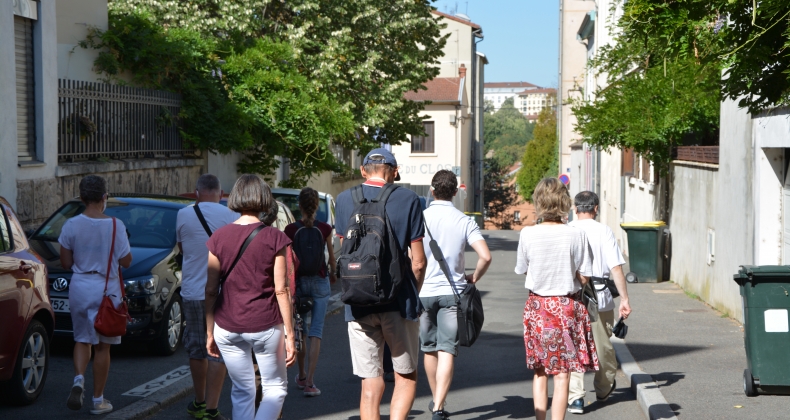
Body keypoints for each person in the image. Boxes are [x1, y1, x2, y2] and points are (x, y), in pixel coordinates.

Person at [334, 148, 427, 420]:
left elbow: (346, 251)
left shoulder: (343, 199)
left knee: (370, 382)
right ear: (395, 171)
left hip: (358, 303)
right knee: (405, 375)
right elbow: (418, 261)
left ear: (363, 170)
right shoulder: (409, 199)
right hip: (398, 302)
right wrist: (412, 294)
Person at [205, 174, 296, 420]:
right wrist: (290, 333)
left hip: (227, 323)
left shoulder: (218, 237)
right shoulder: (275, 237)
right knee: (275, 388)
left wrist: (210, 331)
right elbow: (281, 289)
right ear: (263, 199)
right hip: (265, 323)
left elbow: (211, 289)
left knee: (242, 390)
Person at [514, 177, 599, 420]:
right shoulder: (575, 235)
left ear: (539, 201)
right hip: (566, 307)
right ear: (563, 201)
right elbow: (584, 275)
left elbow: (522, 269)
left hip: (538, 307)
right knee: (563, 374)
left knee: (540, 371)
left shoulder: (528, 234)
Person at [420, 170, 492, 420]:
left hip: (423, 292)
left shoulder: (420, 219)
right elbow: (485, 256)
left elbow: (411, 256)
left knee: (428, 349)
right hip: (453, 293)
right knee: (447, 350)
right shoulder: (464, 221)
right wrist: (474, 276)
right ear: (455, 192)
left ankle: (435, 397)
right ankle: (439, 406)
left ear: (432, 191)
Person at [59, 175, 133, 415]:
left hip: (80, 286)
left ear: (81, 198)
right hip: (106, 289)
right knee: (103, 346)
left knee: (81, 339)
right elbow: (127, 261)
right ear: (104, 197)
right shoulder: (115, 225)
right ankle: (98, 400)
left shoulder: (70, 225)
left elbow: (65, 262)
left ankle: (78, 379)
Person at [177, 174, 238, 420]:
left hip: (192, 291)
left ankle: (200, 401)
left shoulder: (183, 214)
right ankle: (212, 407)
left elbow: (181, 248)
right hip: (223, 293)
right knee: (219, 349)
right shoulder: (232, 217)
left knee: (196, 347)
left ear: (196, 192)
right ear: (222, 194)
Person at [567, 191, 632, 414]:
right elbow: (615, 268)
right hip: (599, 296)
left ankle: (576, 397)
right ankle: (603, 387)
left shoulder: (568, 229)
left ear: (575, 209)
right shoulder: (603, 230)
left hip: (572, 294)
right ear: (595, 208)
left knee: (573, 344)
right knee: (602, 343)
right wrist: (624, 298)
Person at [284, 187, 337, 397]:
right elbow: (331, 257)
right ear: (316, 206)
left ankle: (302, 374)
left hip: (299, 283)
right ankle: (311, 383)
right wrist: (333, 273)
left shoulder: (290, 230)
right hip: (320, 282)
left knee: (301, 331)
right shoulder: (324, 228)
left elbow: (287, 262)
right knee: (316, 331)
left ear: (299, 206)